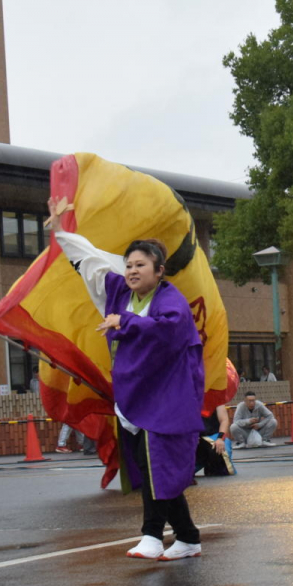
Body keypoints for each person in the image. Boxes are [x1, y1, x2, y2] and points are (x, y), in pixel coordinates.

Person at [55, 230, 204, 561]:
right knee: (151, 468)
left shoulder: (171, 301)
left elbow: (168, 329)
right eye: (129, 265)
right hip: (133, 397)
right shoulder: (121, 292)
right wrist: (62, 230)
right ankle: (188, 537)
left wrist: (125, 320)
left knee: (156, 467)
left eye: (141, 265)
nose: (133, 271)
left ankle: (152, 535)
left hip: (166, 399)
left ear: (160, 270)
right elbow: (89, 265)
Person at [195, 403, 235, 476]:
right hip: (196, 438)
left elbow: (224, 420)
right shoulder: (189, 400)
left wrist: (220, 438)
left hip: (215, 437)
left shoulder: (217, 399)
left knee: (221, 450)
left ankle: (213, 468)